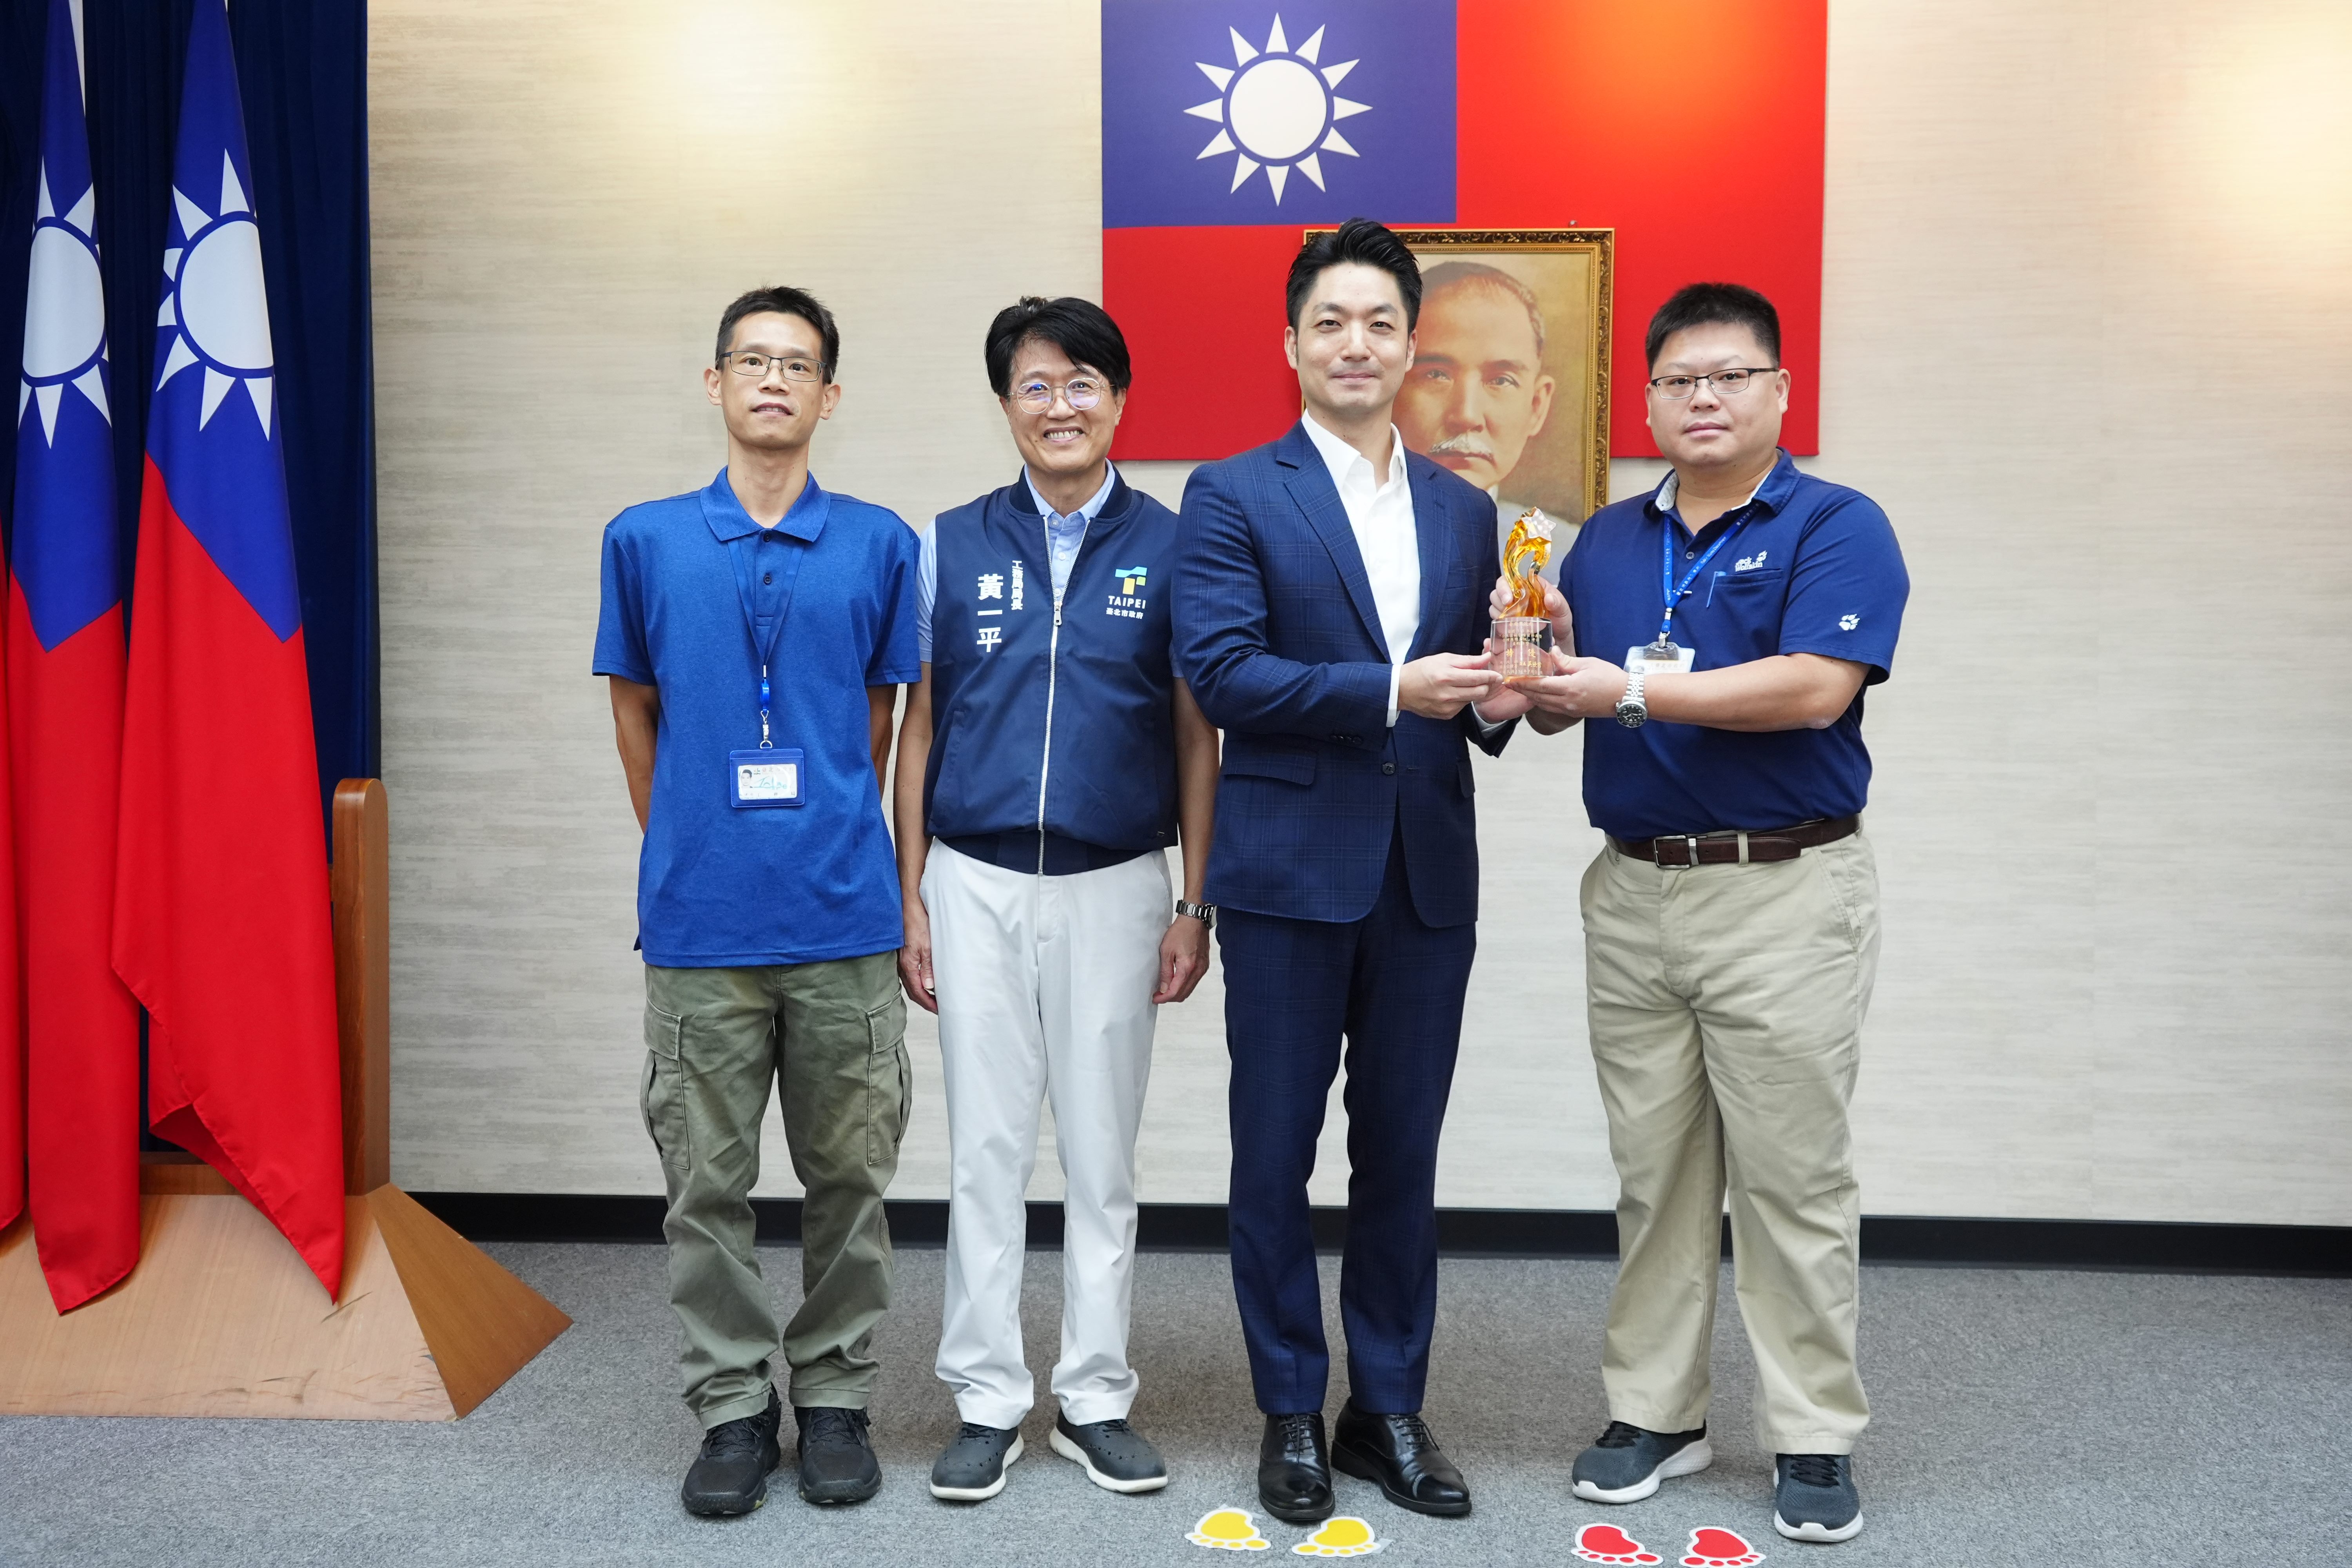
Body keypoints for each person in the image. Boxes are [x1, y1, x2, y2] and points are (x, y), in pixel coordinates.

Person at [1485, 281, 1908, 1544]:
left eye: (1730, 376)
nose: (1704, 399)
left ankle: (1812, 1430)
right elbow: (1569, 709)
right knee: (1654, 1171)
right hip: (1631, 892)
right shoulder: (1607, 542)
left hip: (1783, 889)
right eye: (1679, 381)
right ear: (1649, 401)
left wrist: (1622, 691)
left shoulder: (1835, 523)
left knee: (1791, 1175)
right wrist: (1542, 670)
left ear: (1779, 391)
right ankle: (1656, 1412)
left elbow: (1813, 689)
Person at [1174, 218, 1521, 1528]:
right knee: (1272, 1153)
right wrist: (1389, 689)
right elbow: (1224, 675)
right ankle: (1288, 1406)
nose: (1357, 343)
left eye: (1380, 321)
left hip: (1426, 876)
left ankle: (1386, 1405)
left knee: (1402, 1152)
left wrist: (1515, 687)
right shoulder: (1231, 493)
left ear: (1410, 343)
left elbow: (1472, 699)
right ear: (1293, 344)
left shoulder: (1465, 509)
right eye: (1332, 322)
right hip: (1284, 876)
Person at [593, 286, 920, 1518]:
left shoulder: (879, 543)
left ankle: (834, 1395)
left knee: (851, 1183)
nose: (773, 380)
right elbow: (634, 712)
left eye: (797, 365)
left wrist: (826, 832)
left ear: (829, 396)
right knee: (705, 1188)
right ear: (716, 383)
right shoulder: (644, 540)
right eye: (752, 360)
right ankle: (731, 1406)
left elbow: (880, 723)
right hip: (700, 928)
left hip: (844, 921)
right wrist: (691, 838)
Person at [893, 296, 1220, 1503]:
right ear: (1005, 405)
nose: (1060, 405)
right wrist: (911, 896)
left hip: (1117, 882)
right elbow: (919, 730)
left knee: (1099, 1153)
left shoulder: (1174, 545)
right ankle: (985, 1398)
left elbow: (1197, 735)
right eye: (1036, 385)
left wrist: (1196, 901)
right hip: (973, 880)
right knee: (984, 1151)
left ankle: (1093, 1397)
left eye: (1083, 383)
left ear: (1119, 400)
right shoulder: (950, 543)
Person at [1393, 260, 1568, 578]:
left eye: (1501, 380)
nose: (1467, 415)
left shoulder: (1570, 558)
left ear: (1536, 406)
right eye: (1436, 375)